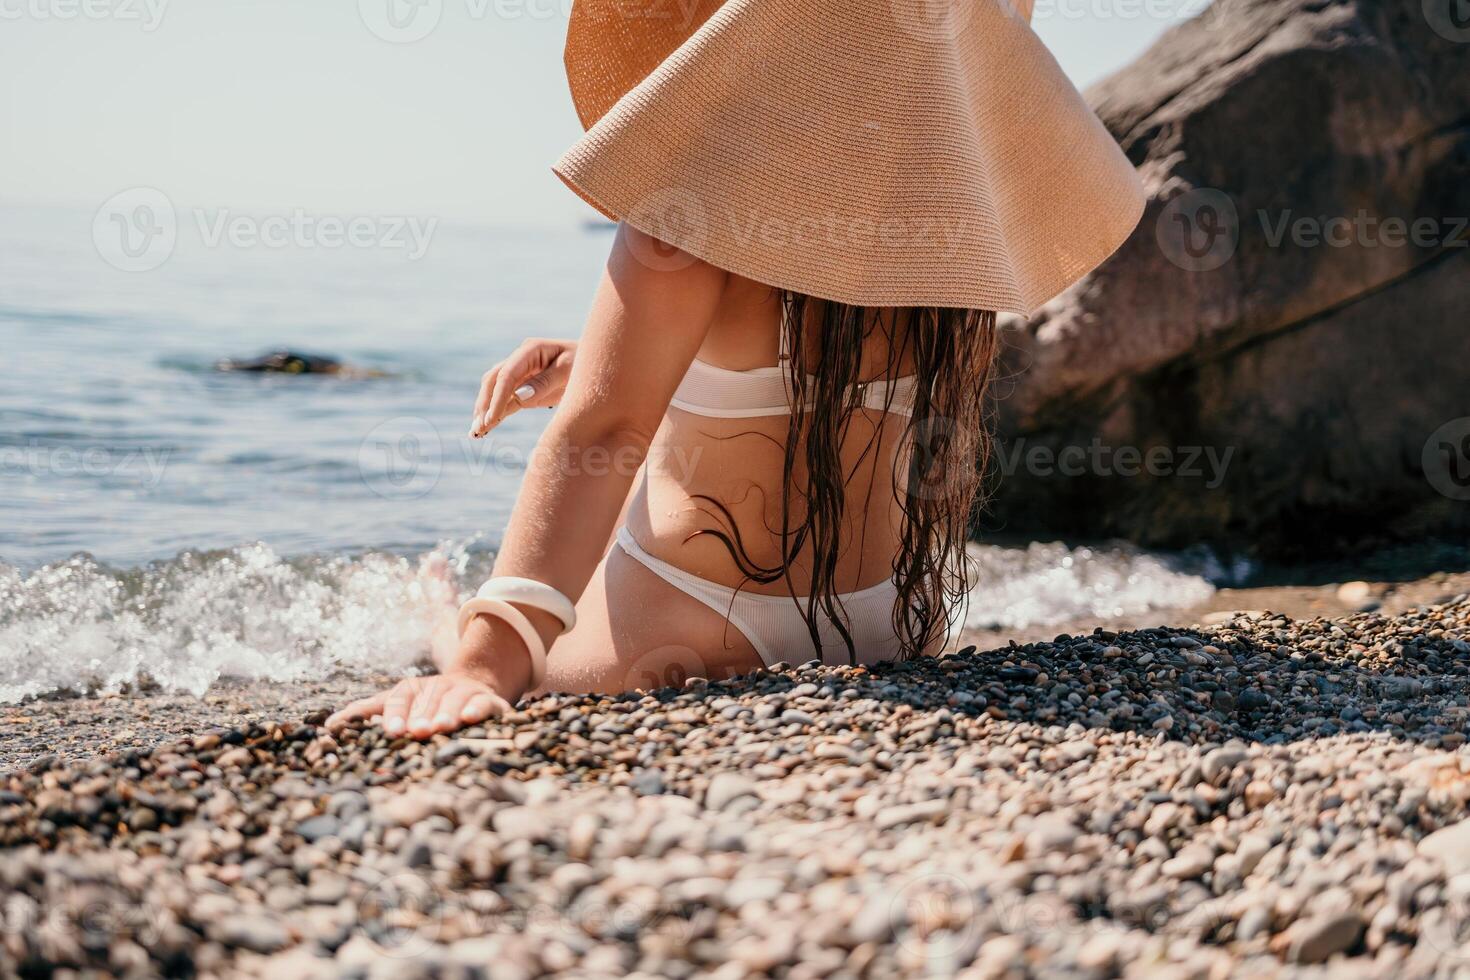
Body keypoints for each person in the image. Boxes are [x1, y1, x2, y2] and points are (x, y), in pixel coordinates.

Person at [328, 0, 1144, 739]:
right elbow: (812, 392)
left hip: (691, 628)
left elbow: (609, 427)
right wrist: (600, 362)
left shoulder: (692, 201)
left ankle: (443, 619)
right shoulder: (953, 233)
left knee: (490, 630)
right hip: (890, 628)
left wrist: (480, 665)